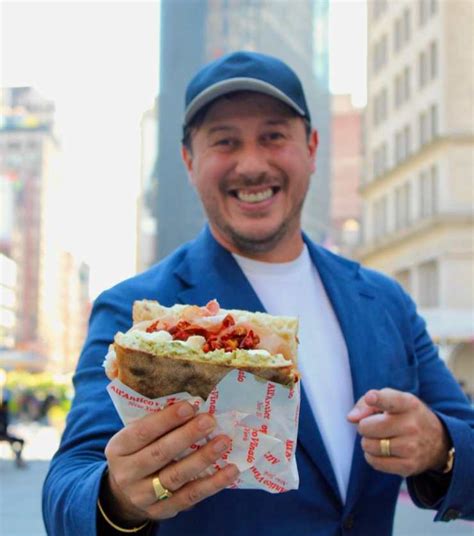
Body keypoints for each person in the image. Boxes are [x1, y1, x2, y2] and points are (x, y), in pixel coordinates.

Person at [42, 51, 474, 535]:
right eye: (225, 141)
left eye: (273, 136)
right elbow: (68, 489)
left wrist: (440, 445)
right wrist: (120, 497)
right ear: (189, 161)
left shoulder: (385, 302)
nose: (251, 165)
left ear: (311, 148)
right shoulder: (133, 312)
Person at [0, 396, 26, 468]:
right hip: (2, 435)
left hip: (4, 434)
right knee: (18, 441)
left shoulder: (5, 414)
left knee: (20, 441)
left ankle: (18, 457)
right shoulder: (2, 414)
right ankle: (18, 458)